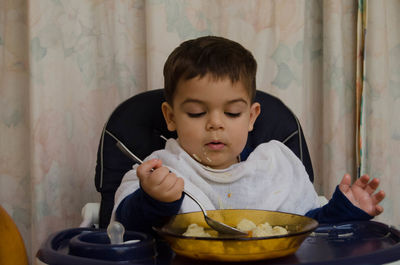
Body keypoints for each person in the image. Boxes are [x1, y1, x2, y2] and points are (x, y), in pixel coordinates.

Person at [112, 36, 385, 233]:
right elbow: (122, 229)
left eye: (232, 113)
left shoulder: (272, 169)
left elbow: (307, 230)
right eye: (196, 113)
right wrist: (153, 200)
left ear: (252, 117)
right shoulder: (158, 171)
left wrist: (343, 211)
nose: (215, 124)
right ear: (171, 117)